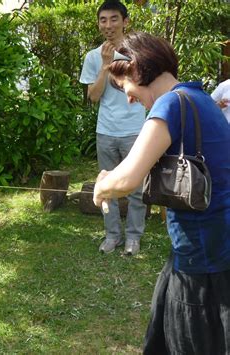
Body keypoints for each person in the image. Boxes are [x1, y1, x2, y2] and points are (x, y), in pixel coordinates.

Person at [92, 32, 230, 353]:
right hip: (208, 250)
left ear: (137, 70)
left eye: (126, 88)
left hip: (204, 264)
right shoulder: (198, 98)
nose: (128, 98)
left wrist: (102, 186)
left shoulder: (171, 102)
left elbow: (128, 178)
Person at [79, 0, 147, 255]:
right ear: (99, 24)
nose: (108, 25)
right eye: (103, 20)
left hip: (135, 130)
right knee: (107, 187)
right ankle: (112, 236)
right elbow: (94, 96)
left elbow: (144, 89)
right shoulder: (92, 57)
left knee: (135, 188)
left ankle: (133, 237)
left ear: (125, 21)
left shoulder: (138, 53)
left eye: (114, 19)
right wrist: (106, 66)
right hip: (106, 131)